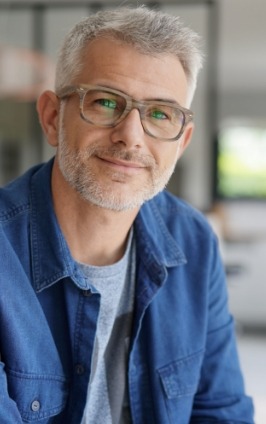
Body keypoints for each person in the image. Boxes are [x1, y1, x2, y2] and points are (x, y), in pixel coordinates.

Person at [0, 6, 254, 424]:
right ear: (51, 117)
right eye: (104, 102)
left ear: (183, 140)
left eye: (159, 114)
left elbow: (220, 412)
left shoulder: (194, 242)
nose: (131, 137)